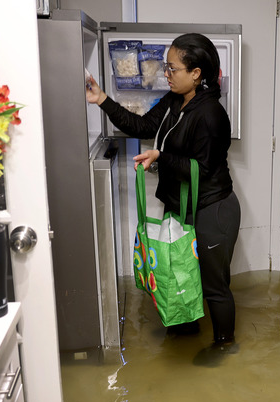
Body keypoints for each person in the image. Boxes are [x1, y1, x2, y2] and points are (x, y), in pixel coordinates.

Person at [86, 33, 241, 366]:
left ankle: (225, 346)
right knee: (182, 273)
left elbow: (202, 168)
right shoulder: (174, 101)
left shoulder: (211, 114)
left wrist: (161, 156)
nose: (166, 74)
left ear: (196, 73)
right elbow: (141, 124)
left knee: (215, 285)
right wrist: (101, 99)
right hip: (184, 208)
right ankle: (186, 330)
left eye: (173, 68)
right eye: (167, 68)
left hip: (212, 210)